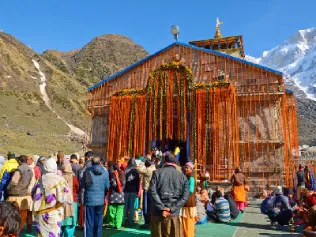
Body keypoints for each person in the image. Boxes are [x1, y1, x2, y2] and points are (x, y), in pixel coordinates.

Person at [149, 153, 189, 237]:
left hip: (157, 213)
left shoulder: (156, 173)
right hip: (173, 214)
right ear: (175, 162)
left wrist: (162, 208)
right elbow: (185, 196)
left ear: (164, 161)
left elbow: (152, 192)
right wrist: (171, 209)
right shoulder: (182, 176)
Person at [31, 157, 72, 236]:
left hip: (40, 215)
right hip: (54, 214)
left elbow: (33, 194)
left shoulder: (40, 179)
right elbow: (67, 198)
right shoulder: (59, 180)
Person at [82, 157, 110, 237]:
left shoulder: (87, 172)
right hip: (100, 200)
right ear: (100, 163)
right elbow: (107, 186)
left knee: (89, 221)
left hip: (89, 200)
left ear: (92, 163)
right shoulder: (105, 172)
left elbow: (83, 185)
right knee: (98, 221)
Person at [6, 155, 34, 232]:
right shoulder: (30, 169)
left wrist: (8, 188)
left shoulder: (19, 170)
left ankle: (15, 229)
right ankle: (21, 228)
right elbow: (31, 182)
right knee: (23, 214)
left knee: (14, 214)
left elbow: (14, 181)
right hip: (25, 195)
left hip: (15, 195)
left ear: (19, 161)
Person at [61, 163, 79, 237]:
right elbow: (78, 189)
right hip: (72, 202)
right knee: (71, 221)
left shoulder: (59, 177)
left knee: (61, 220)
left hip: (61, 202)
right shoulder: (74, 178)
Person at [138, 158, 156, 229]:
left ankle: (147, 222)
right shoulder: (154, 169)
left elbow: (139, 169)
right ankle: (150, 222)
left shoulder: (148, 170)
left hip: (147, 189)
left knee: (146, 207)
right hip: (153, 190)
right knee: (151, 206)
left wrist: (142, 163)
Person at [107, 164, 125, 229]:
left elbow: (112, 185)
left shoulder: (112, 175)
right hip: (121, 196)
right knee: (119, 212)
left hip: (113, 196)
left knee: (112, 211)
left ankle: (112, 224)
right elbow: (124, 185)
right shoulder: (122, 174)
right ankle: (118, 225)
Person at [182, 162, 197, 237]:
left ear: (191, 169)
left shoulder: (191, 178)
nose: (186, 169)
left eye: (187, 168)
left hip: (189, 202)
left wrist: (182, 190)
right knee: (185, 221)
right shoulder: (187, 176)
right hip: (186, 202)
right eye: (185, 167)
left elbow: (190, 190)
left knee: (188, 222)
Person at [123, 158, 140, 227]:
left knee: (125, 206)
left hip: (126, 190)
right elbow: (137, 182)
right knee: (131, 207)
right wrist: (137, 190)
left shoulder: (125, 170)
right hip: (133, 190)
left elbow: (124, 181)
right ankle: (130, 222)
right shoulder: (136, 171)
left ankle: (123, 221)